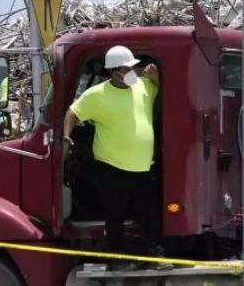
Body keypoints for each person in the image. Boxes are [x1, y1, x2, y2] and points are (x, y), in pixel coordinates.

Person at [62, 45, 171, 271]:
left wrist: (155, 75)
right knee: (115, 215)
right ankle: (117, 258)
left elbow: (167, 91)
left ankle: (155, 255)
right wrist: (66, 136)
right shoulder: (97, 95)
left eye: (133, 67)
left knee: (148, 214)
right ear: (114, 72)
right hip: (113, 167)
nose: (133, 71)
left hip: (143, 165)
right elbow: (73, 112)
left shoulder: (143, 86)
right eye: (127, 68)